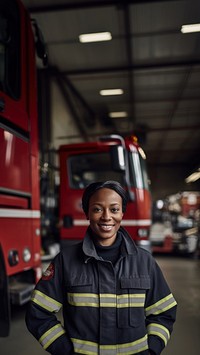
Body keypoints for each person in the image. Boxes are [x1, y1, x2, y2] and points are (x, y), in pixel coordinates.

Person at [26, 180, 177, 355]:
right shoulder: (65, 261)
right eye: (97, 209)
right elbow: (38, 313)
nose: (106, 217)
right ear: (87, 214)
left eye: (114, 209)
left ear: (122, 213)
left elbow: (164, 313)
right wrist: (65, 351)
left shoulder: (144, 262)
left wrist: (151, 350)